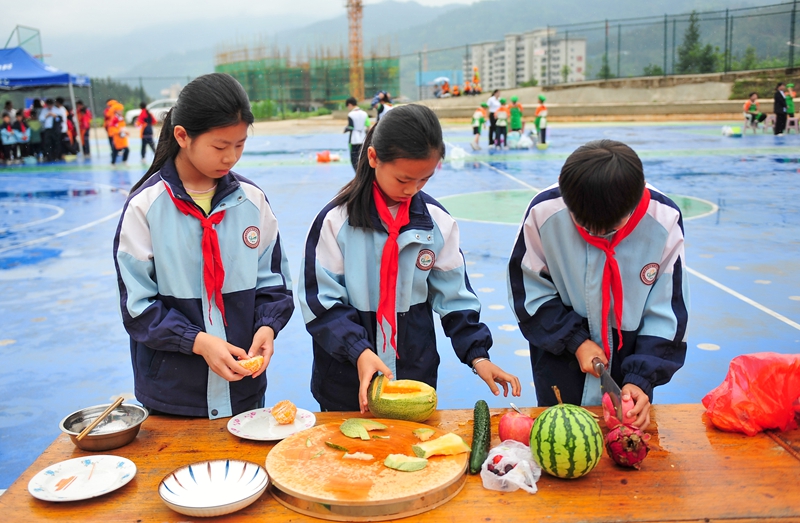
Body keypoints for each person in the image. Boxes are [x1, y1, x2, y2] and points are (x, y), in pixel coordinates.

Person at [299, 104, 522, 413]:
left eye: (424, 180)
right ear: (373, 158)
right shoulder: (336, 222)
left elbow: (455, 299)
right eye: (403, 180)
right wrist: (358, 351)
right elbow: (321, 303)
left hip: (413, 379)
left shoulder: (436, 224)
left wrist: (478, 355)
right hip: (345, 380)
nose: (412, 190)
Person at [113, 72, 295, 418]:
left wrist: (267, 326)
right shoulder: (145, 208)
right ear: (182, 136)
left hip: (243, 391)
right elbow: (138, 308)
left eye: (239, 144)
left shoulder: (252, 202)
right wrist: (198, 342)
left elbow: (275, 284)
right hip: (174, 395)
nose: (231, 158)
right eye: (220, 146)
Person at [507, 140, 689, 430]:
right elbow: (529, 290)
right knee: (562, 438)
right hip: (561, 357)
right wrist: (575, 342)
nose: (598, 233)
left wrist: (641, 379)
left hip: (631, 358)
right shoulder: (544, 212)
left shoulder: (663, 220)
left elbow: (666, 310)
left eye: (610, 227)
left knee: (624, 442)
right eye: (585, 225)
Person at [344, 96, 370, 171]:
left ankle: (357, 175)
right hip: (363, 139)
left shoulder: (351, 114)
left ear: (350, 104)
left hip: (354, 139)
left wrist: (346, 129)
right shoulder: (364, 113)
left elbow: (351, 127)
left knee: (354, 160)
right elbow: (368, 126)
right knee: (362, 159)